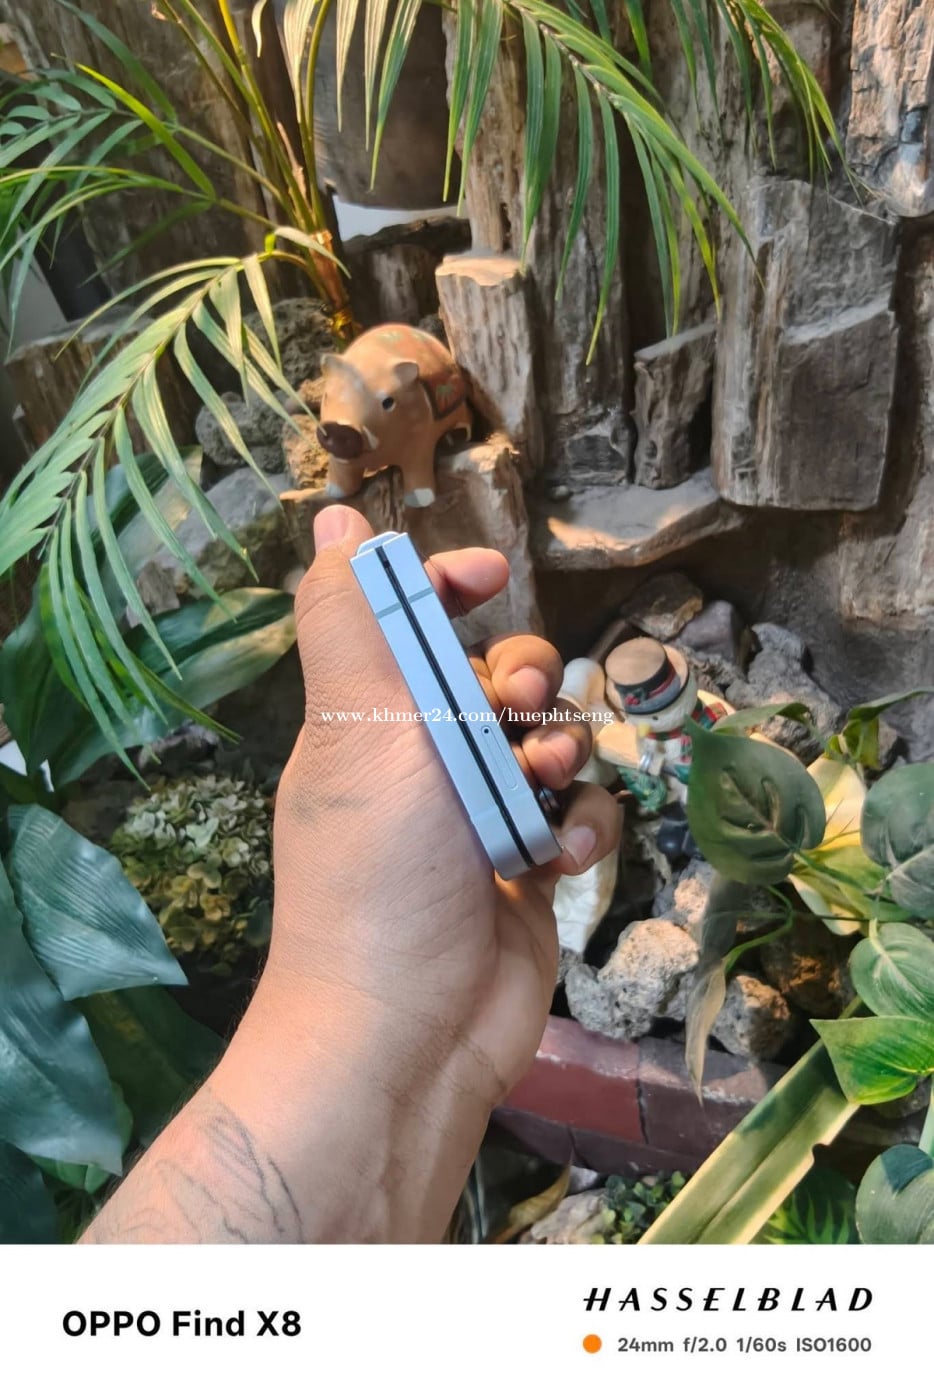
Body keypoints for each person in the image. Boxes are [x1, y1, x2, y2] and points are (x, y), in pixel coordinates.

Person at [80, 505, 621, 1243]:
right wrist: (375, 1011)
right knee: (525, 720)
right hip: (438, 987)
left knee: (524, 720)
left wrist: (389, 1022)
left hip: (452, 989)